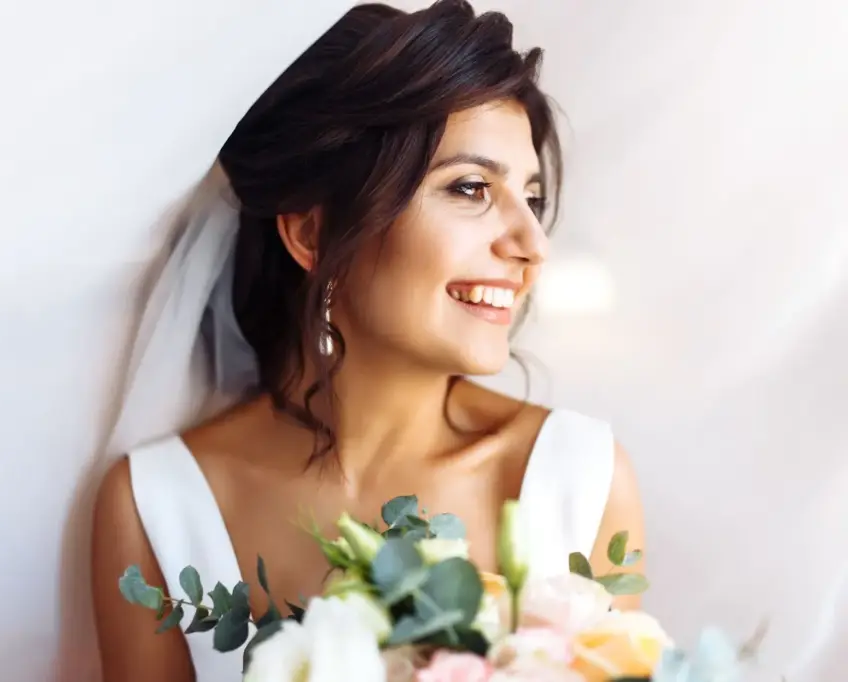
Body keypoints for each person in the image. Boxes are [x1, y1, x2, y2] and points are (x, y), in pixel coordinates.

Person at [90, 2, 645, 680]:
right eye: (470, 188)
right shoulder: (156, 508)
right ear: (312, 235)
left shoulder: (580, 479)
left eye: (531, 198)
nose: (532, 245)